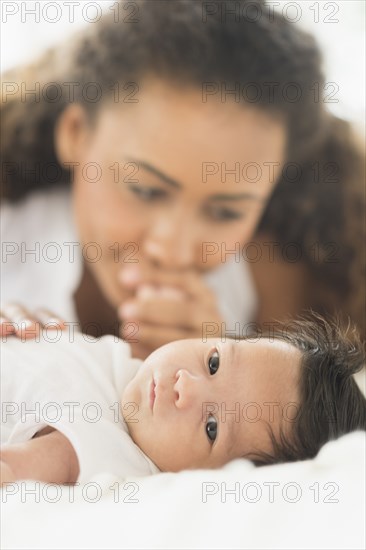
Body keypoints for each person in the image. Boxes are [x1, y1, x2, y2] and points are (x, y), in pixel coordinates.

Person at [1, 0, 364, 360]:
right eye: (144, 190)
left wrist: (225, 376)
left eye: (226, 213)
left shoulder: (286, 287)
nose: (171, 251)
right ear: (75, 134)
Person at [1, 313, 366, 485]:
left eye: (212, 428)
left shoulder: (98, 450)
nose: (185, 387)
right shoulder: (118, 365)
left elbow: (12, 469)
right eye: (214, 362)